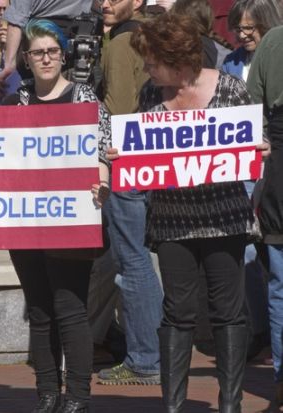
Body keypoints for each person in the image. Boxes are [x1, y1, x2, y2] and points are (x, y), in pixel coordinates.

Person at [125, 12, 267, 412]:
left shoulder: (230, 89)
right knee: (177, 312)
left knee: (227, 311)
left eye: (153, 61)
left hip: (225, 218)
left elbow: (254, 139)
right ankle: (174, 404)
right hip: (173, 221)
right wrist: (122, 156)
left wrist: (262, 147)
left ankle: (231, 402)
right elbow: (140, 150)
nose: (148, 68)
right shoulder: (151, 95)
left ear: (178, 57)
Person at [0, 19, 110, 413]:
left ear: (62, 54)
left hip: (70, 220)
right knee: (40, 309)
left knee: (70, 308)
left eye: (51, 51)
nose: (44, 58)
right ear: (26, 59)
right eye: (36, 52)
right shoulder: (14, 104)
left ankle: (77, 395)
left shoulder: (85, 99)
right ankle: (46, 392)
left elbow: (102, 154)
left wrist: (102, 181)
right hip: (25, 222)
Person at [96, 0, 163, 387]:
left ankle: (144, 358)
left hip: (129, 162)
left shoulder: (124, 43)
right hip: (151, 161)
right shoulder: (148, 34)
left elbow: (118, 109)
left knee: (132, 261)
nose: (105, 3)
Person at [247, 21, 283, 409]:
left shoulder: (273, 40)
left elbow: (251, 106)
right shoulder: (273, 40)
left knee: (280, 289)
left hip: (279, 173)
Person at [222, 0, 283, 81]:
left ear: (267, 24)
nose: (242, 35)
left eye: (248, 28)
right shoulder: (231, 62)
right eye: (238, 29)